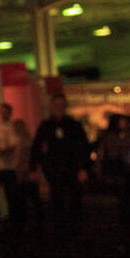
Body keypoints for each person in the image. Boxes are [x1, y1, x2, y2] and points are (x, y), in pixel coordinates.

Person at [30, 93, 90, 242]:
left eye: (61, 105)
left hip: (72, 170)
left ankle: (74, 234)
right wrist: (33, 168)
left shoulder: (74, 125)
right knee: (57, 203)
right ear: (51, 106)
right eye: (56, 105)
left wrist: (84, 169)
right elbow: (36, 148)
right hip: (54, 171)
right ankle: (61, 235)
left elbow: (84, 149)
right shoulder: (45, 126)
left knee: (74, 203)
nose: (58, 108)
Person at [0, 101, 19, 226]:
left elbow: (13, 146)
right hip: (0, 166)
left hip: (9, 166)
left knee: (11, 195)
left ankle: (12, 219)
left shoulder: (12, 127)